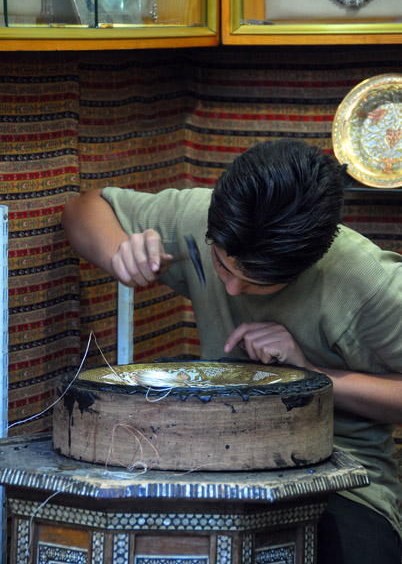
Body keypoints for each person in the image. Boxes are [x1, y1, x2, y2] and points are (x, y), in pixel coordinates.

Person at [62, 139, 402, 563]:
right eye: (221, 264)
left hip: (342, 479)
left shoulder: (371, 283)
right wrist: (119, 253)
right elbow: (84, 209)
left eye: (258, 282)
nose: (231, 288)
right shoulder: (202, 217)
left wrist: (310, 371)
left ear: (309, 262)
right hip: (209, 462)